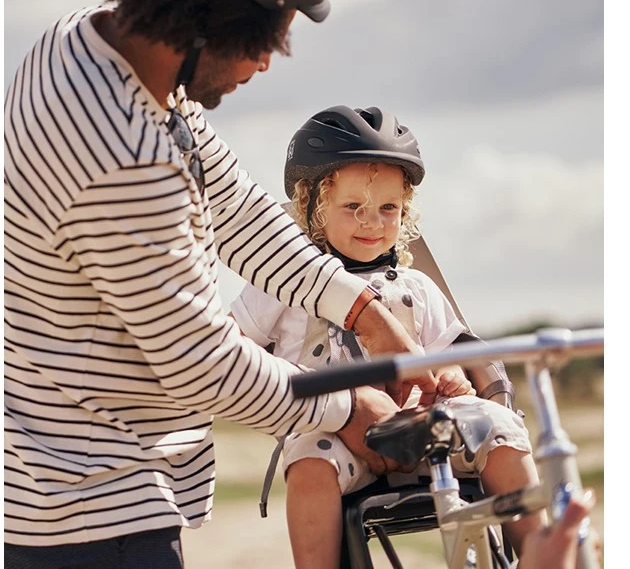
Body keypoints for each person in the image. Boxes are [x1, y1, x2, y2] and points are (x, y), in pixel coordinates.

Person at [3, 0, 440, 567]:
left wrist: (364, 312)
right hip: (91, 508)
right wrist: (349, 408)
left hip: (76, 489)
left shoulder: (88, 48)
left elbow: (238, 211)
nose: (263, 63)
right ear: (212, 10)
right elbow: (199, 360)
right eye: (263, 38)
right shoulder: (124, 155)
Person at [230, 105, 546, 568]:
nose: (372, 222)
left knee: (499, 430)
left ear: (406, 211)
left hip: (427, 429)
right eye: (353, 207)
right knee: (309, 466)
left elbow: (458, 349)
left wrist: (460, 378)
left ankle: (541, 554)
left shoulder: (416, 286)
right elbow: (236, 343)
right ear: (312, 207)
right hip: (334, 432)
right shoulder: (283, 283)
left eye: (387, 208)